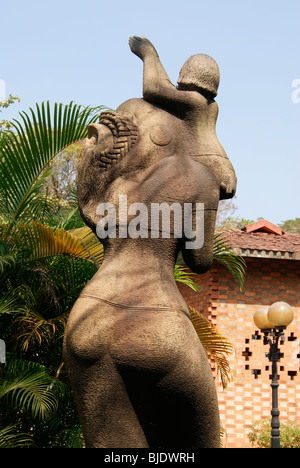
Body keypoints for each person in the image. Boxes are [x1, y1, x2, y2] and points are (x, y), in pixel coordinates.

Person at [64, 36, 236, 448]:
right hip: (155, 323)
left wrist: (149, 55)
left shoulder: (117, 183)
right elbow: (200, 259)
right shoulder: (198, 179)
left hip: (87, 320)